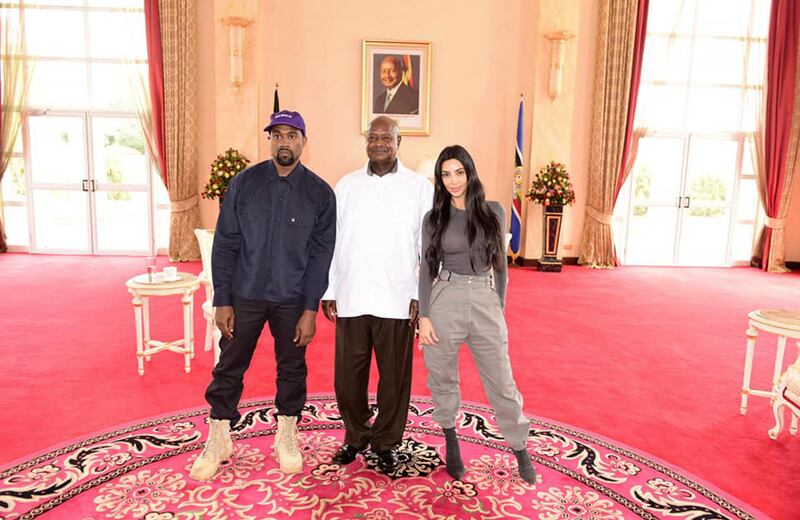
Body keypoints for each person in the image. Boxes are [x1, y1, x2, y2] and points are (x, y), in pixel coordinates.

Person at [189, 110, 336, 481]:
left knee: (292, 367)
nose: (284, 141)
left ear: (304, 140)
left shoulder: (320, 194)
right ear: (269, 139)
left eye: (292, 135)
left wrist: (309, 309)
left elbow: (321, 255)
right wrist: (222, 298)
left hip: (292, 298)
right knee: (229, 365)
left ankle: (286, 434)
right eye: (277, 135)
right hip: (246, 294)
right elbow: (225, 243)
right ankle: (219, 436)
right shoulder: (244, 184)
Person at [417, 144, 536, 484]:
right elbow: (427, 268)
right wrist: (424, 316)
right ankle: (451, 440)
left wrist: (497, 306)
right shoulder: (434, 218)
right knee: (442, 376)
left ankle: (519, 446)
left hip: (484, 297)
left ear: (469, 172)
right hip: (445, 298)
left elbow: (501, 267)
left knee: (501, 380)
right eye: (445, 174)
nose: (453, 180)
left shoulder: (494, 211)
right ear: (439, 179)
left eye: (459, 172)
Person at [321, 116, 433, 473]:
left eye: (388, 137)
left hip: (398, 298)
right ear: (366, 141)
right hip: (353, 295)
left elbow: (426, 246)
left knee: (394, 381)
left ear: (400, 143)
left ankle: (385, 441)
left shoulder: (419, 187)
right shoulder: (346, 186)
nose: (380, 142)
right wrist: (330, 288)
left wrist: (420, 293)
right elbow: (333, 242)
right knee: (347, 379)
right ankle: (355, 435)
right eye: (374, 136)